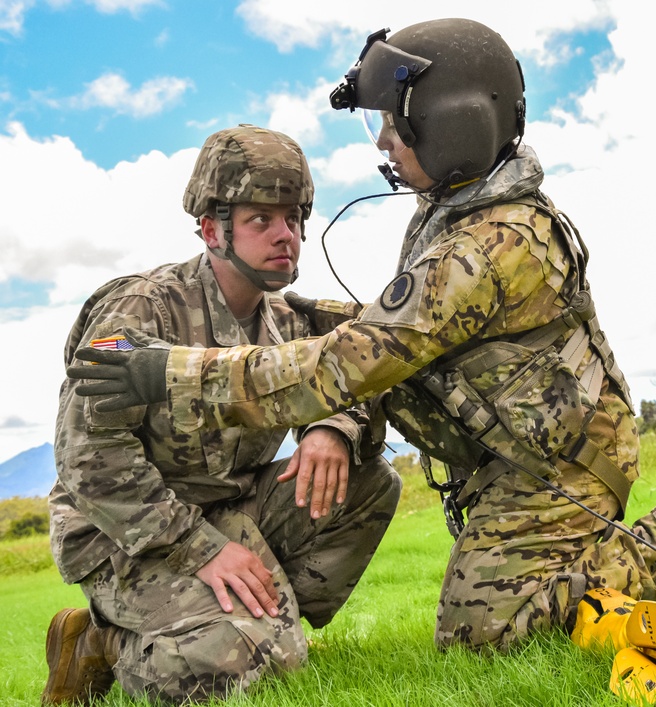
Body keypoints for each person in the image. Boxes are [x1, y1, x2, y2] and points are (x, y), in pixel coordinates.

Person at [70, 20, 656, 654]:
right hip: (513, 449)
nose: (382, 143)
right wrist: (333, 424)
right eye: (262, 218)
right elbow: (362, 333)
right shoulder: (452, 212)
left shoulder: (486, 248)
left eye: (396, 128)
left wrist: (170, 374)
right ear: (210, 226)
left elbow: (349, 359)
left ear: (452, 129)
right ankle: (194, 622)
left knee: (487, 639)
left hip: (558, 466)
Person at [45, 125, 401, 704]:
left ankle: (267, 628)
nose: (285, 235)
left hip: (225, 509)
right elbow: (88, 460)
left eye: (293, 219)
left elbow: (359, 368)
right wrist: (201, 550)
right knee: (228, 673)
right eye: (262, 219)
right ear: (212, 229)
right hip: (123, 535)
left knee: (369, 481)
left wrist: (332, 427)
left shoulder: (286, 321)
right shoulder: (140, 310)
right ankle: (102, 643)